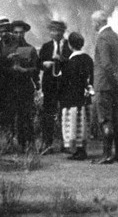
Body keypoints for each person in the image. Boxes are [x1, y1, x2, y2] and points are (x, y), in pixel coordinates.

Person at [92, 9, 118, 164]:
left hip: (103, 84)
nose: (92, 25)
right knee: (116, 119)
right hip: (115, 87)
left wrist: (115, 77)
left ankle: (107, 155)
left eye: (93, 22)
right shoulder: (116, 37)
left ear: (98, 22)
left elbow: (106, 64)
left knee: (105, 119)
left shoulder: (102, 38)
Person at [59, 31, 95, 160]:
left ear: (70, 45)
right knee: (84, 124)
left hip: (73, 99)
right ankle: (82, 149)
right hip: (85, 98)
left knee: (74, 124)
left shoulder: (71, 62)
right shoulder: (88, 59)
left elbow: (66, 83)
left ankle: (76, 151)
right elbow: (90, 79)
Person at [4, 20, 39, 148]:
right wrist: (8, 63)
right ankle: (8, 144)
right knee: (9, 117)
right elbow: (0, 70)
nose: (19, 35)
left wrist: (25, 70)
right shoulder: (6, 49)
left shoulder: (31, 49)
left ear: (25, 33)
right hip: (10, 87)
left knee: (26, 117)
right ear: (12, 33)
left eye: (21, 32)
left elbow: (36, 69)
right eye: (16, 32)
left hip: (25, 87)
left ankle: (26, 144)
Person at [39, 19, 72, 153]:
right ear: (50, 32)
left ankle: (67, 144)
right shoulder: (46, 47)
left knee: (65, 114)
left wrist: (62, 60)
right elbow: (38, 63)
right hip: (50, 85)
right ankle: (48, 144)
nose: (56, 33)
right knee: (48, 115)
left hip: (64, 85)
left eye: (59, 31)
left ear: (63, 32)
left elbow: (73, 63)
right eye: (53, 31)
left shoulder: (69, 47)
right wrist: (44, 65)